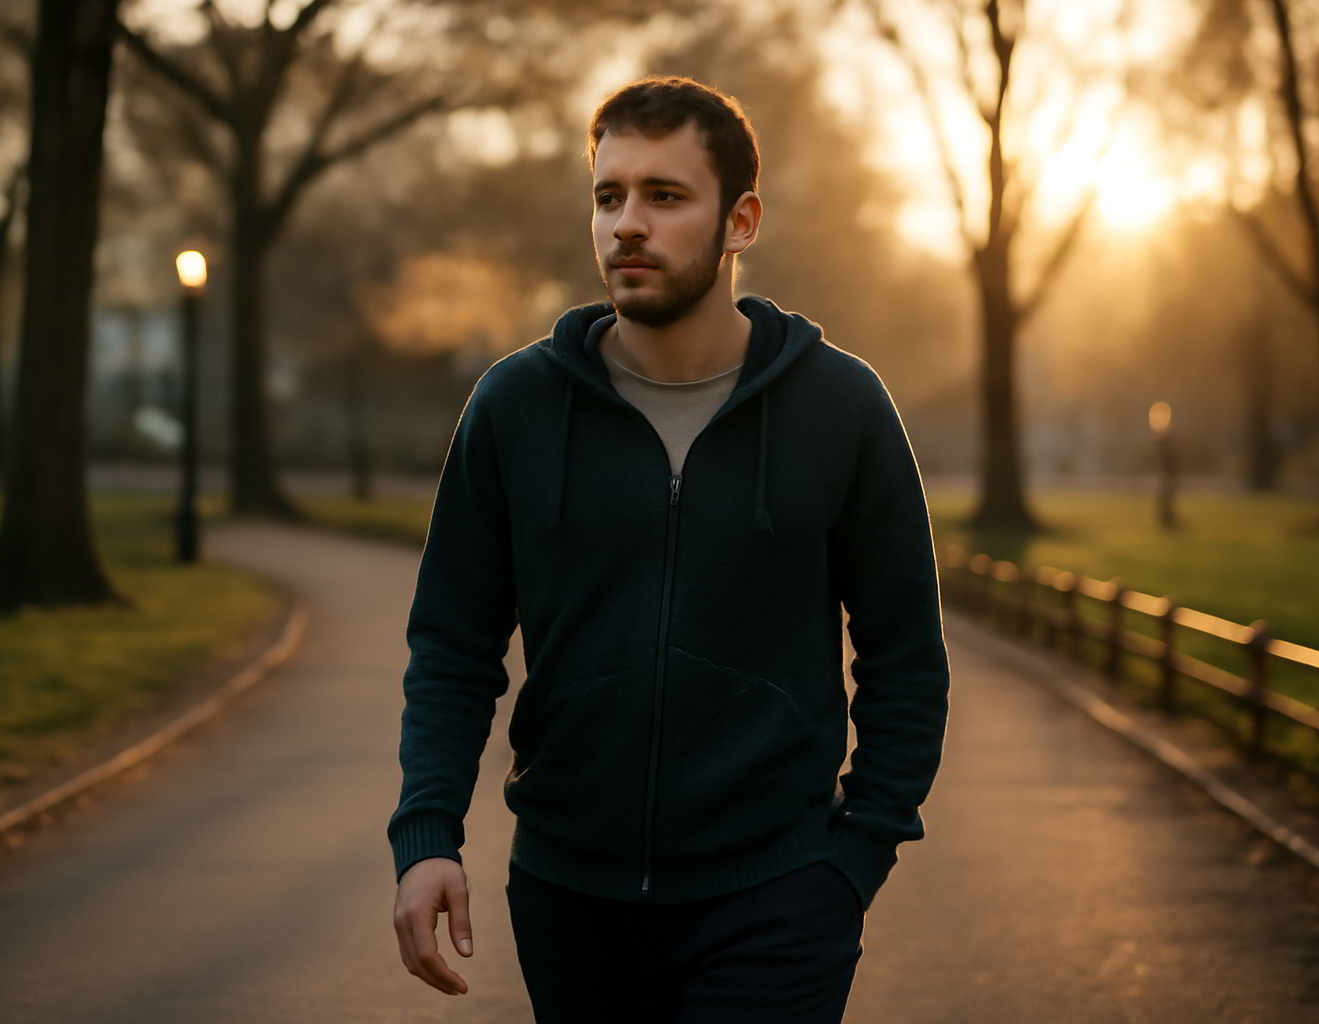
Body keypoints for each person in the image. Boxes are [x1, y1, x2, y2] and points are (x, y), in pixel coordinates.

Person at [389, 75, 949, 1022]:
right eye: (608, 196)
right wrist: (428, 835)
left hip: (777, 896)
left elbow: (905, 658)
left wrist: (854, 858)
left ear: (741, 222)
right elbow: (452, 644)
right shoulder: (517, 408)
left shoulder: (840, 409)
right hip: (569, 896)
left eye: (665, 196)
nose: (627, 225)